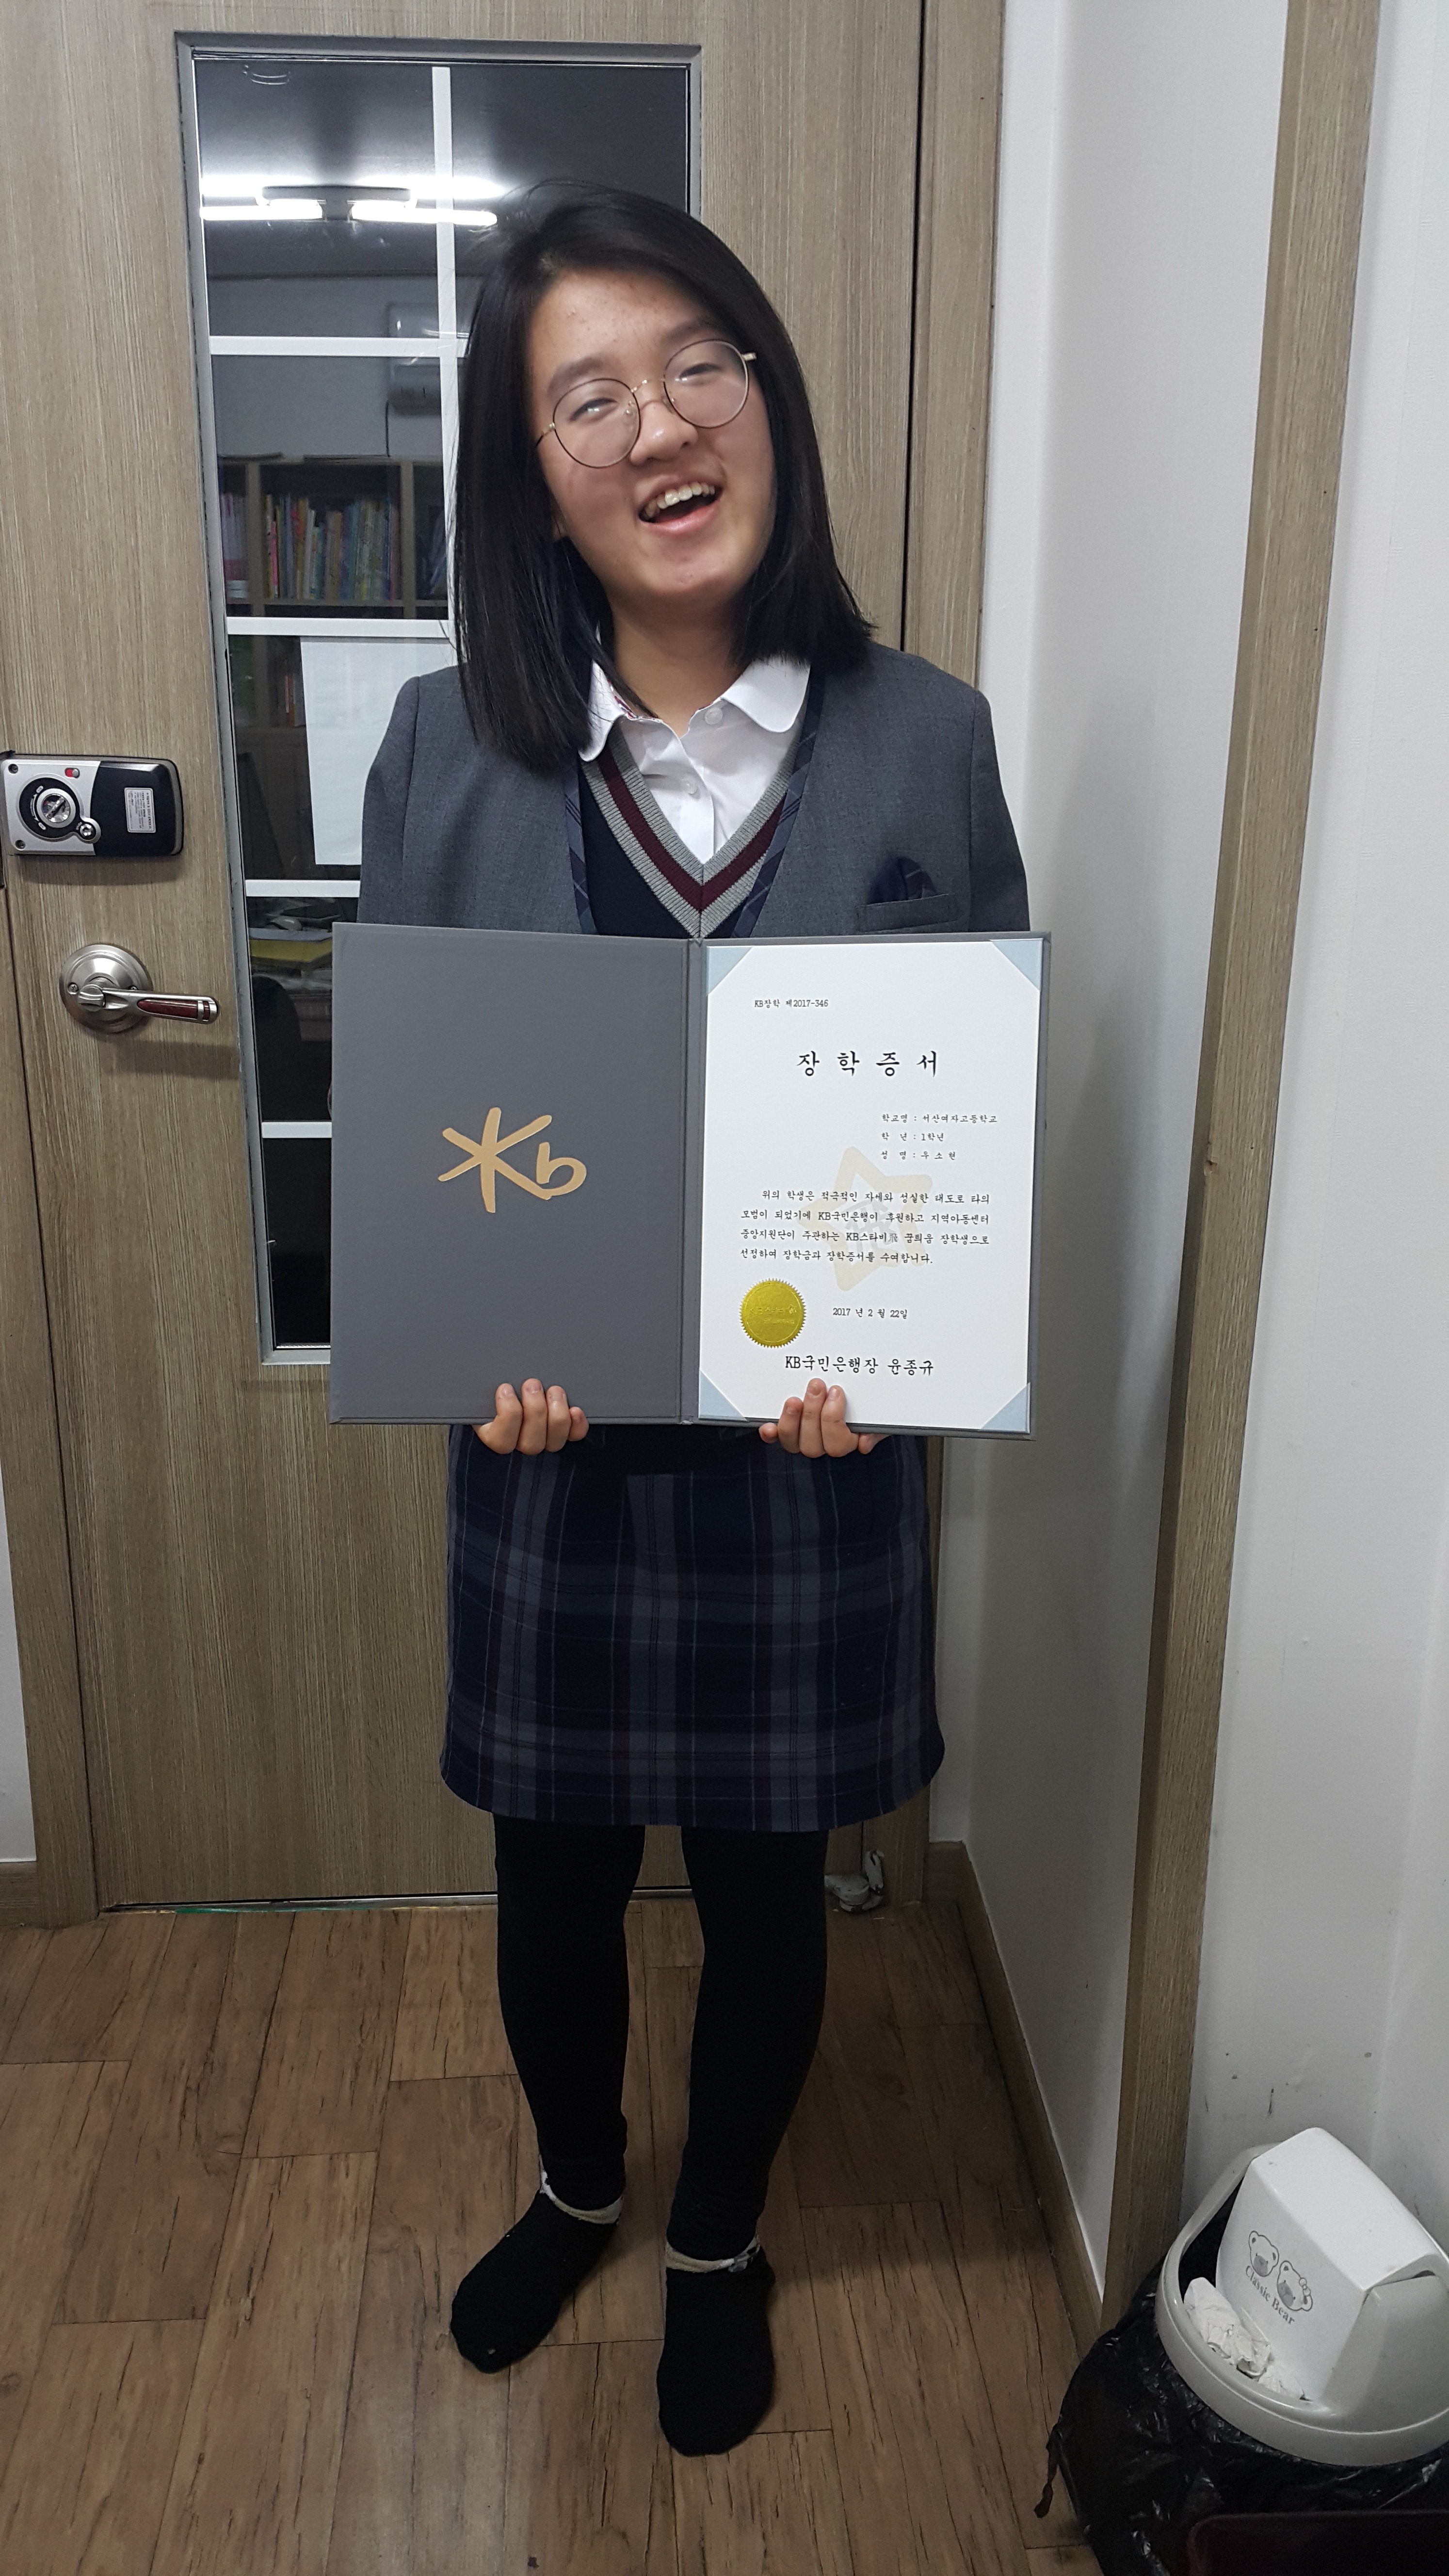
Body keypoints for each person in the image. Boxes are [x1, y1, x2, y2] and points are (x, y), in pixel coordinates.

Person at [359, 183, 1027, 2458]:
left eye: (698, 364)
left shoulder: (928, 738)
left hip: (807, 1454)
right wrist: (469, 1346)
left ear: (769, 396)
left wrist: (904, 1357)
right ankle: (579, 2184)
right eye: (589, 397)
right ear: (533, 474)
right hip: (545, 1448)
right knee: (550, 1868)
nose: (658, 426)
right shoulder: (443, 746)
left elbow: (964, 1105)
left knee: (766, 1879)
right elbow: (423, 1115)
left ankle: (721, 2235)